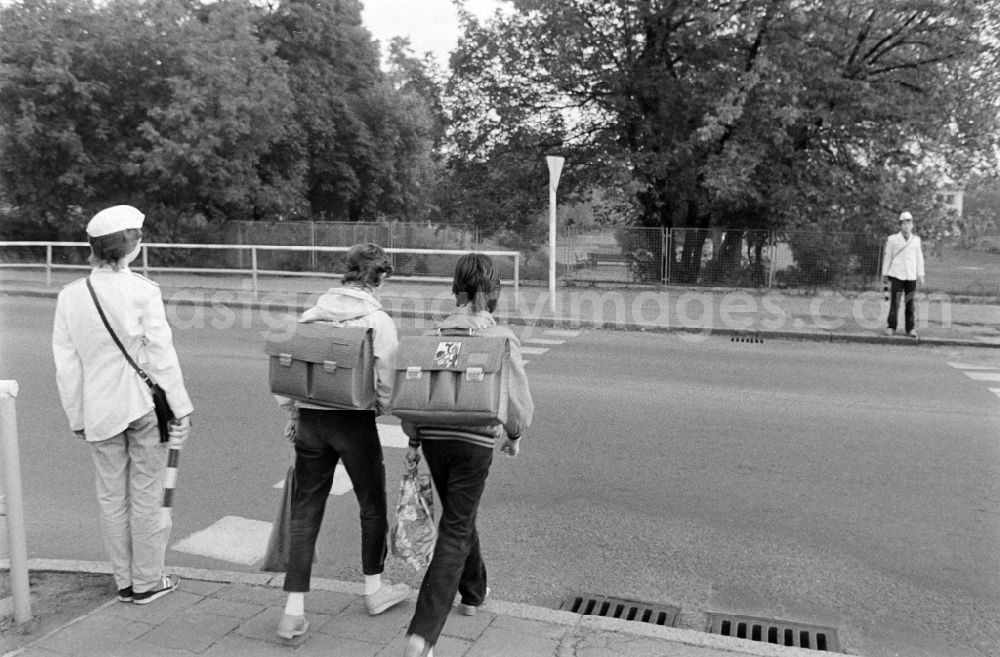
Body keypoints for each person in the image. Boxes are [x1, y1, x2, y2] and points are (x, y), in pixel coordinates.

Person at [52, 205, 193, 605]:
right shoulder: (143, 292)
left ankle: (125, 583)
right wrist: (180, 406)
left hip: (98, 410)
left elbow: (67, 364)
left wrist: (75, 415)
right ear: (131, 247)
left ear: (95, 249)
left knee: (111, 498)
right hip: (142, 406)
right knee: (147, 495)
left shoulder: (71, 297)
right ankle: (149, 581)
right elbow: (161, 355)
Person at [402, 253, 534, 657]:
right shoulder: (501, 339)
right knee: (456, 528)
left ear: (454, 291)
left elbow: (411, 398)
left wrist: (414, 439)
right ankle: (421, 635)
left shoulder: (430, 336)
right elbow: (517, 404)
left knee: (460, 516)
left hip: (435, 442)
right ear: (493, 294)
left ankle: (473, 593)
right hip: (474, 442)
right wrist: (514, 435)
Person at [275, 243, 409, 640]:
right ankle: (373, 589)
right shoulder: (378, 320)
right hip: (354, 423)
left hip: (312, 421)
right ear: (379, 278)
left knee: (306, 510)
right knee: (371, 504)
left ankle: (293, 611)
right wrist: (381, 406)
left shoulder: (312, 312)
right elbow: (386, 379)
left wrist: (294, 413)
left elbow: (294, 367)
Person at [882, 210, 925, 337]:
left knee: (910, 303)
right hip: (897, 274)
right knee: (895, 302)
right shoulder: (893, 239)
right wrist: (885, 274)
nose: (906, 226)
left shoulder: (916, 240)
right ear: (900, 225)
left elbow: (919, 258)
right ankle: (891, 326)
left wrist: (920, 274)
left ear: (912, 225)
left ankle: (910, 328)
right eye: (904, 223)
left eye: (909, 223)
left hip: (911, 276)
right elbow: (888, 257)